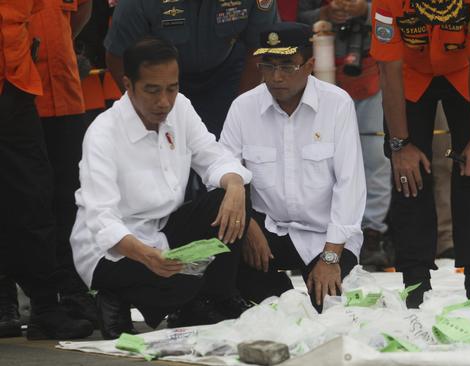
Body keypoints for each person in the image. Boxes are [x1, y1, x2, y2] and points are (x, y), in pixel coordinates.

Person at [70, 37, 253, 339]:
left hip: (164, 230)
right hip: (112, 250)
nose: (164, 101)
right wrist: (145, 255)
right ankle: (115, 294)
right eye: (152, 90)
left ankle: (210, 299)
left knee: (229, 195)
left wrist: (235, 185)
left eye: (172, 88)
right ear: (128, 85)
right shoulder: (103, 133)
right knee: (185, 283)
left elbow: (214, 156)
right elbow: (102, 219)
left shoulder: (180, 108)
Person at [220, 22, 366, 311]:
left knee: (329, 308)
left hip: (329, 236)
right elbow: (222, 171)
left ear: (309, 65)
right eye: (268, 66)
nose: (276, 77)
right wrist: (247, 225)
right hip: (266, 232)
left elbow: (350, 185)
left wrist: (331, 258)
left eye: (288, 66)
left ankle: (298, 288)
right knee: (247, 295)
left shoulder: (337, 104)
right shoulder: (243, 107)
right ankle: (271, 291)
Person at [370, 0, 470, 308]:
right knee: (408, 174)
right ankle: (414, 279)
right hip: (409, 74)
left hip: (466, 72)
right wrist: (399, 145)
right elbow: (388, 73)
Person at [0, 0, 94, 340]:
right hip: (22, 89)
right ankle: (10, 299)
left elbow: (78, 10)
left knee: (41, 199)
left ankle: (50, 301)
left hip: (26, 89)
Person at [298, 0, 392, 267]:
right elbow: (292, 20)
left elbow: (399, 15)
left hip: (368, 71)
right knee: (319, 158)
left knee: (374, 157)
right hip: (317, 76)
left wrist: (365, 11)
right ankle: (318, 234)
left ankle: (373, 234)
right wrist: (324, 14)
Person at [103, 0, 277, 137]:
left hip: (227, 76)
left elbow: (259, 49)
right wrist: (144, 102)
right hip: (163, 82)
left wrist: (241, 108)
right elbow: (118, 55)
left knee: (226, 155)